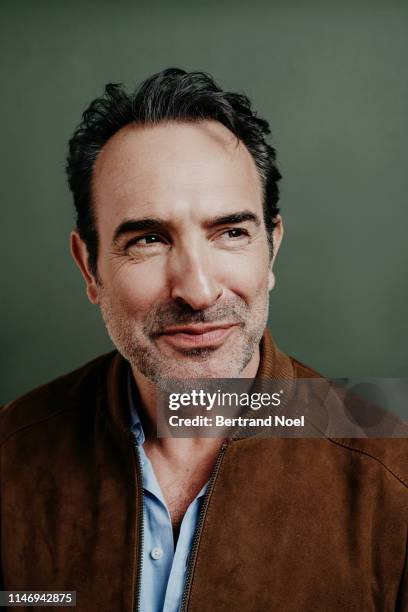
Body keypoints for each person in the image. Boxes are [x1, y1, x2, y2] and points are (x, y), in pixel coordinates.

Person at [0, 68, 406, 612]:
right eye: (148, 238)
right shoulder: (10, 456)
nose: (197, 289)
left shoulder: (393, 480)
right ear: (89, 267)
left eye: (231, 233)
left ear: (272, 251)